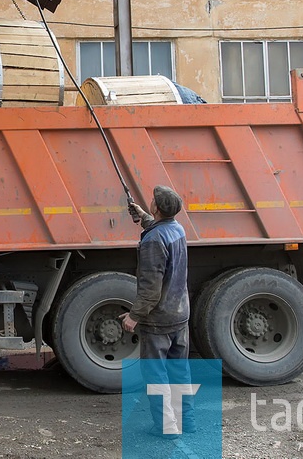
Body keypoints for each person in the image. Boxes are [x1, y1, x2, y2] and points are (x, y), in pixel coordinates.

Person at [120, 185, 193, 436]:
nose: (149, 201)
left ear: (158, 208)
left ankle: (166, 427)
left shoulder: (153, 241)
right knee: (179, 371)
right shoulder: (177, 229)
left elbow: (151, 288)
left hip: (159, 319)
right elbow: (161, 229)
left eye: (152, 201)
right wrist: (143, 217)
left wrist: (134, 316)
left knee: (156, 375)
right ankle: (187, 422)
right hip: (180, 313)